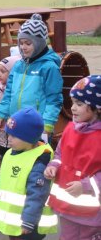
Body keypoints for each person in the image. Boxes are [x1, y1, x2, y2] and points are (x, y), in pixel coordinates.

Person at [44, 75, 101, 240]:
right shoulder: (69, 129)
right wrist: (53, 166)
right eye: (73, 102)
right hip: (67, 206)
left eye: (79, 104)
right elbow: (61, 154)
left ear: (97, 108)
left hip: (91, 213)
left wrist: (85, 185)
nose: (73, 108)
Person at [0, 14, 63, 142]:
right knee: (17, 155)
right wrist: (3, 112)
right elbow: (9, 92)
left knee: (37, 158)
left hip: (38, 125)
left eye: (28, 43)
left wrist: (48, 123)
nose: (23, 47)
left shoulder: (49, 67)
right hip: (17, 122)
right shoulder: (18, 66)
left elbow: (54, 99)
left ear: (39, 43)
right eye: (21, 43)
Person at [0, 107, 58, 240]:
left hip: (29, 226)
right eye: (8, 134)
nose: (9, 139)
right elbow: (4, 180)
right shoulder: (10, 153)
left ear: (29, 138)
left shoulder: (39, 160)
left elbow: (37, 194)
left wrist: (29, 221)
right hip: (15, 222)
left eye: (14, 136)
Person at [0, 56, 21, 176]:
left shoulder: (19, 92)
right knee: (3, 153)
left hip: (15, 133)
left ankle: (13, 174)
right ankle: (3, 173)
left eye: (3, 72)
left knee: (17, 153)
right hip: (2, 133)